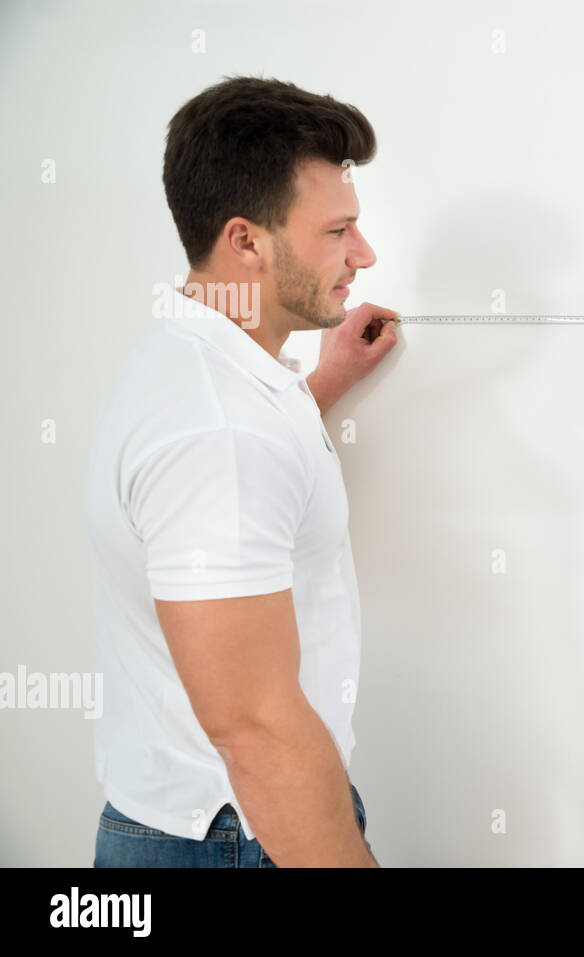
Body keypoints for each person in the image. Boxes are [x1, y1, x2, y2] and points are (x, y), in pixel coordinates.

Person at [86, 76, 398, 866]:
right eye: (338, 232)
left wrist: (323, 384)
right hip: (238, 834)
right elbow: (253, 728)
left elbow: (242, 486)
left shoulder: (205, 371)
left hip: (224, 822)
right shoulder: (216, 428)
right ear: (247, 241)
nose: (364, 254)